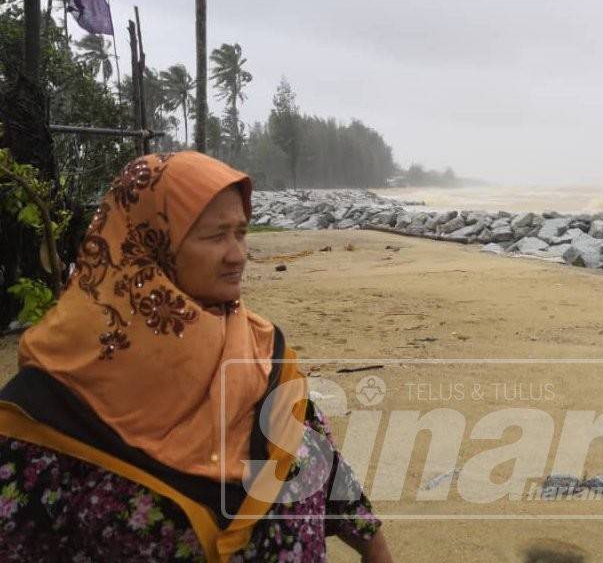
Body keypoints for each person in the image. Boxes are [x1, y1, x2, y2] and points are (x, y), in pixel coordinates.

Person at [0, 151, 392, 562]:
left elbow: (319, 459)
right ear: (149, 246)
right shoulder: (50, 406)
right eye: (214, 235)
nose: (237, 254)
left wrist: (373, 545)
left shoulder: (260, 348)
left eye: (241, 232)